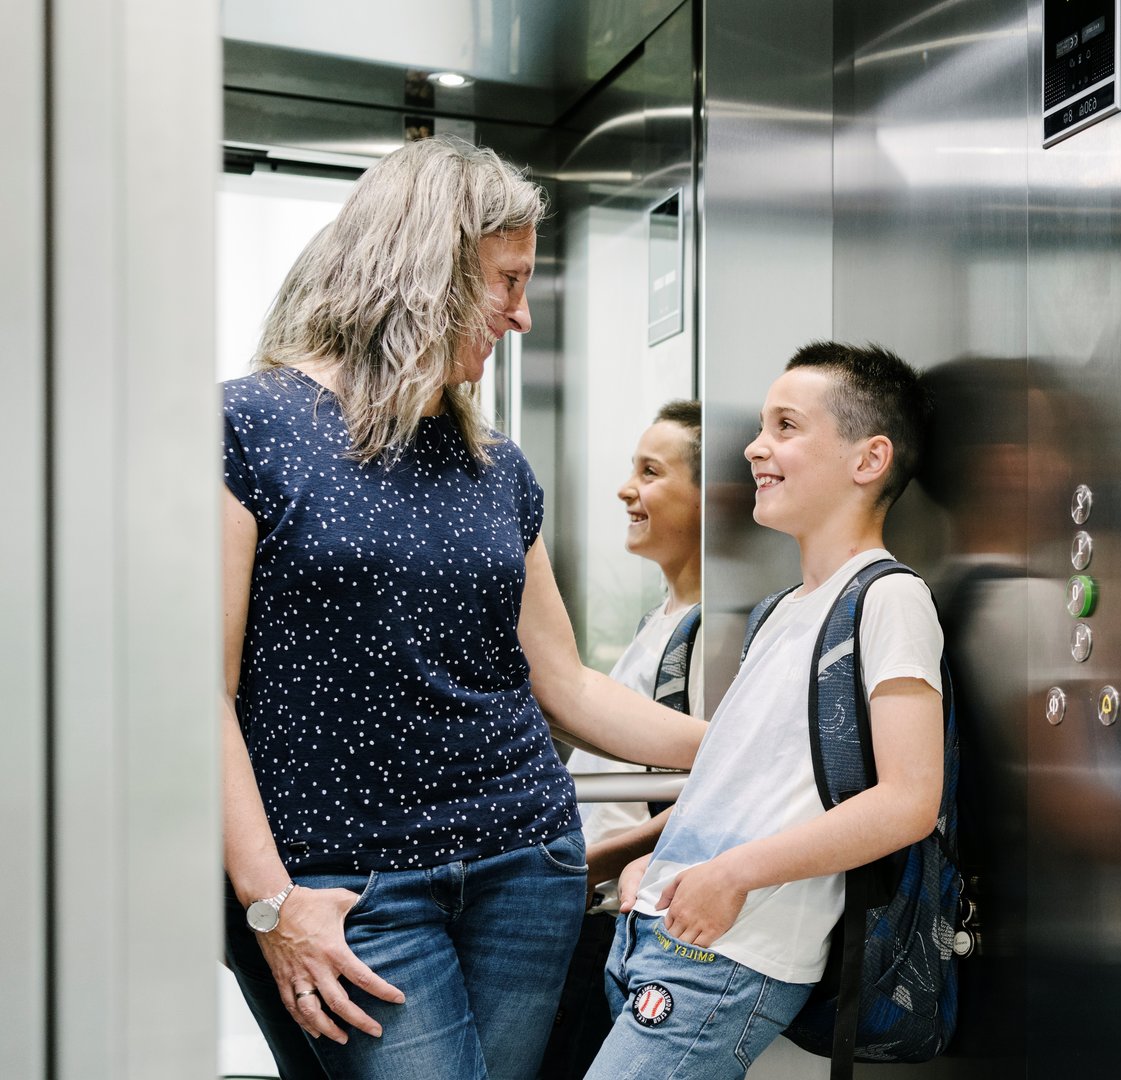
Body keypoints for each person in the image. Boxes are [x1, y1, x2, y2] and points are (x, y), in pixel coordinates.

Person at [220, 135, 708, 1080]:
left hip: (525, 867)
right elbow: (204, 693)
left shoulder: (496, 466)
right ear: (427, 270)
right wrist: (268, 902)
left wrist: (740, 747)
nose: (522, 315)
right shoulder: (245, 428)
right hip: (346, 888)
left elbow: (561, 682)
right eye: (507, 281)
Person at [583, 342, 946, 1080]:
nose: (756, 447)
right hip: (665, 930)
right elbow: (739, 785)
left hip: (731, 952)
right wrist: (658, 859)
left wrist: (732, 875)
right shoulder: (780, 611)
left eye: (786, 426)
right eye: (761, 425)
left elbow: (910, 801)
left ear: (869, 459)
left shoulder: (889, 597)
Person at [541, 400, 706, 1080]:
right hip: (589, 903)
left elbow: (712, 790)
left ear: (708, 499)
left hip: (613, 913)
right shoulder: (660, 620)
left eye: (651, 471)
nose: (625, 489)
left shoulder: (709, 635)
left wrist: (594, 863)